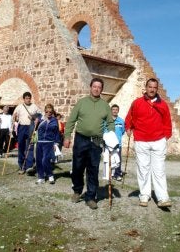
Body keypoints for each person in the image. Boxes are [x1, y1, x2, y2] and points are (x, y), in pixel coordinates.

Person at [63, 78, 114, 210]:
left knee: (93, 169)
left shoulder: (105, 106)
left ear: (101, 90)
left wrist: (111, 136)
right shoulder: (81, 103)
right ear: (90, 87)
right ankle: (77, 190)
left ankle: (91, 197)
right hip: (81, 139)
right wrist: (67, 136)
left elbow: (110, 123)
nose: (96, 89)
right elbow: (71, 121)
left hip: (97, 140)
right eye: (94, 86)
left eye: (99, 87)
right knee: (78, 166)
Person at [125, 78, 172, 208]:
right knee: (143, 169)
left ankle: (162, 197)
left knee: (159, 170)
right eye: (150, 87)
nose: (152, 89)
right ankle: (144, 195)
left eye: (154, 87)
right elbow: (129, 118)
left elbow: (167, 122)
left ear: (157, 89)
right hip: (141, 141)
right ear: (145, 87)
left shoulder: (163, 105)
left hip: (158, 141)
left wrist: (165, 137)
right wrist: (128, 128)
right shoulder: (137, 103)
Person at [12, 92, 41, 174]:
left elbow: (40, 115)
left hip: (30, 127)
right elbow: (14, 116)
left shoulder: (34, 106)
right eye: (26, 98)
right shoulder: (19, 107)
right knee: (21, 146)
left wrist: (35, 118)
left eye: (29, 98)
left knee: (30, 146)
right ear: (23, 99)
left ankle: (29, 166)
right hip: (21, 127)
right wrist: (14, 119)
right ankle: (21, 165)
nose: (28, 100)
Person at [35, 104, 61, 184]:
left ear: (52, 112)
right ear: (45, 111)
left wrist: (56, 144)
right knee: (39, 160)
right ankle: (41, 177)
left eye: (50, 112)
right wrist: (35, 123)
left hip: (49, 143)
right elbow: (35, 129)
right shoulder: (41, 119)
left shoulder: (54, 121)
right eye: (47, 111)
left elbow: (56, 133)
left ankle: (50, 175)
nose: (48, 113)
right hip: (39, 142)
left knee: (45, 160)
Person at [103, 104, 125, 181]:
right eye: (113, 109)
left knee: (118, 159)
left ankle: (117, 174)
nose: (115, 111)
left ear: (118, 111)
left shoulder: (121, 121)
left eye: (116, 109)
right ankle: (109, 174)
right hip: (108, 144)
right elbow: (104, 130)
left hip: (118, 144)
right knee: (108, 159)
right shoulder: (107, 121)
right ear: (111, 111)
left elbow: (123, 131)